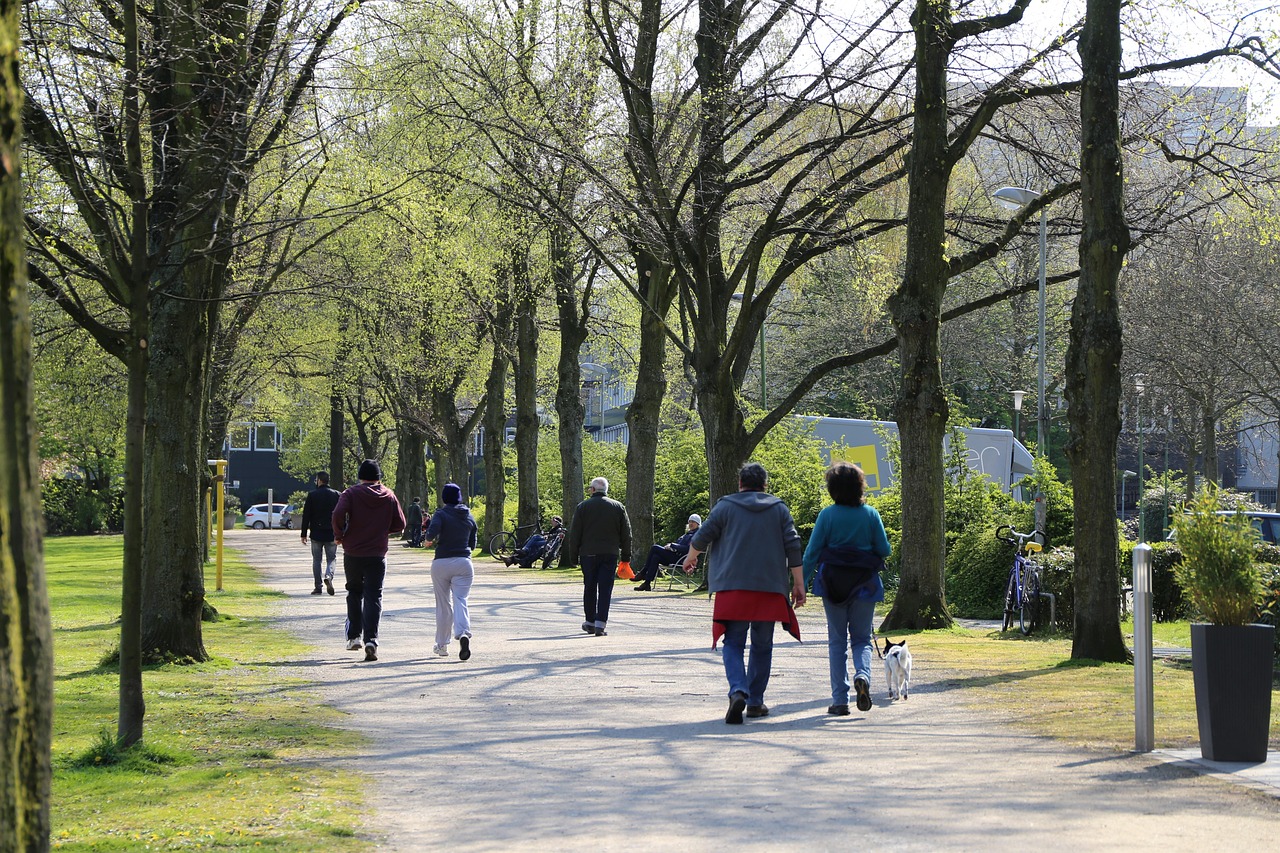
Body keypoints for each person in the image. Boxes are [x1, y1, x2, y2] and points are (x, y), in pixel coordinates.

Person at [682, 462, 804, 724]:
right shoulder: (779, 508)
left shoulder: (726, 506)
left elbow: (702, 537)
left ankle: (738, 689)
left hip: (732, 586)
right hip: (769, 587)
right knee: (762, 645)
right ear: (765, 485)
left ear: (740, 484)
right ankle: (756, 701)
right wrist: (798, 583)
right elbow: (793, 545)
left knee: (734, 642)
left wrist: (691, 558)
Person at [802, 461, 891, 716]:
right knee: (862, 639)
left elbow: (811, 553)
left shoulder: (827, 515)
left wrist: (799, 584)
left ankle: (840, 700)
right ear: (860, 486)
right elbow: (884, 549)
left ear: (833, 489)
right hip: (865, 583)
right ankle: (862, 676)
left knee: (837, 642)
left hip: (833, 584)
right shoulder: (871, 514)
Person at [332, 459, 406, 662]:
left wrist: (339, 534)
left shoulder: (351, 493)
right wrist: (382, 530)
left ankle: (354, 636)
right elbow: (400, 523)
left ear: (360, 476)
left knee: (354, 591)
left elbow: (338, 513)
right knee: (374, 596)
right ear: (379, 477)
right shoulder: (389, 495)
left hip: (353, 551)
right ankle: (371, 640)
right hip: (377, 553)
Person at [564, 477, 632, 636]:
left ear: (593, 490)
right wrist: (626, 557)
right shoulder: (618, 507)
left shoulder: (582, 507)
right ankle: (601, 624)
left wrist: (573, 557)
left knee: (589, 588)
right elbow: (626, 535)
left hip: (588, 553)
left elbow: (575, 535)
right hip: (610, 553)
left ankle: (590, 621)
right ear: (605, 490)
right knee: (605, 589)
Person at [425, 483, 478, 660]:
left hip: (441, 562)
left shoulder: (441, 513)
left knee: (443, 604)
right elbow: (473, 543)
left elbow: (432, 532)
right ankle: (463, 633)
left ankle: (442, 645)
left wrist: (428, 540)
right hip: (464, 562)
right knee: (461, 600)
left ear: (444, 497)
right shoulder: (468, 514)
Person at [633, 513, 701, 591]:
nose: (691, 523)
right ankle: (647, 583)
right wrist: (670, 547)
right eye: (690, 521)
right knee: (656, 557)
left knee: (655, 548)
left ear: (698, 524)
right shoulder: (688, 533)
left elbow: (687, 549)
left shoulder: (696, 535)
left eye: (693, 522)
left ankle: (643, 572)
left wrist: (672, 545)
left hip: (681, 559)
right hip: (675, 555)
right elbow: (679, 545)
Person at [300, 471, 341, 595]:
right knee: (331, 558)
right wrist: (341, 531)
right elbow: (341, 514)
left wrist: (303, 533)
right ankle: (328, 576)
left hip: (316, 533)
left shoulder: (312, 495)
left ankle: (318, 586)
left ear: (319, 480)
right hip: (331, 533)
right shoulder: (337, 495)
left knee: (317, 560)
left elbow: (306, 515)